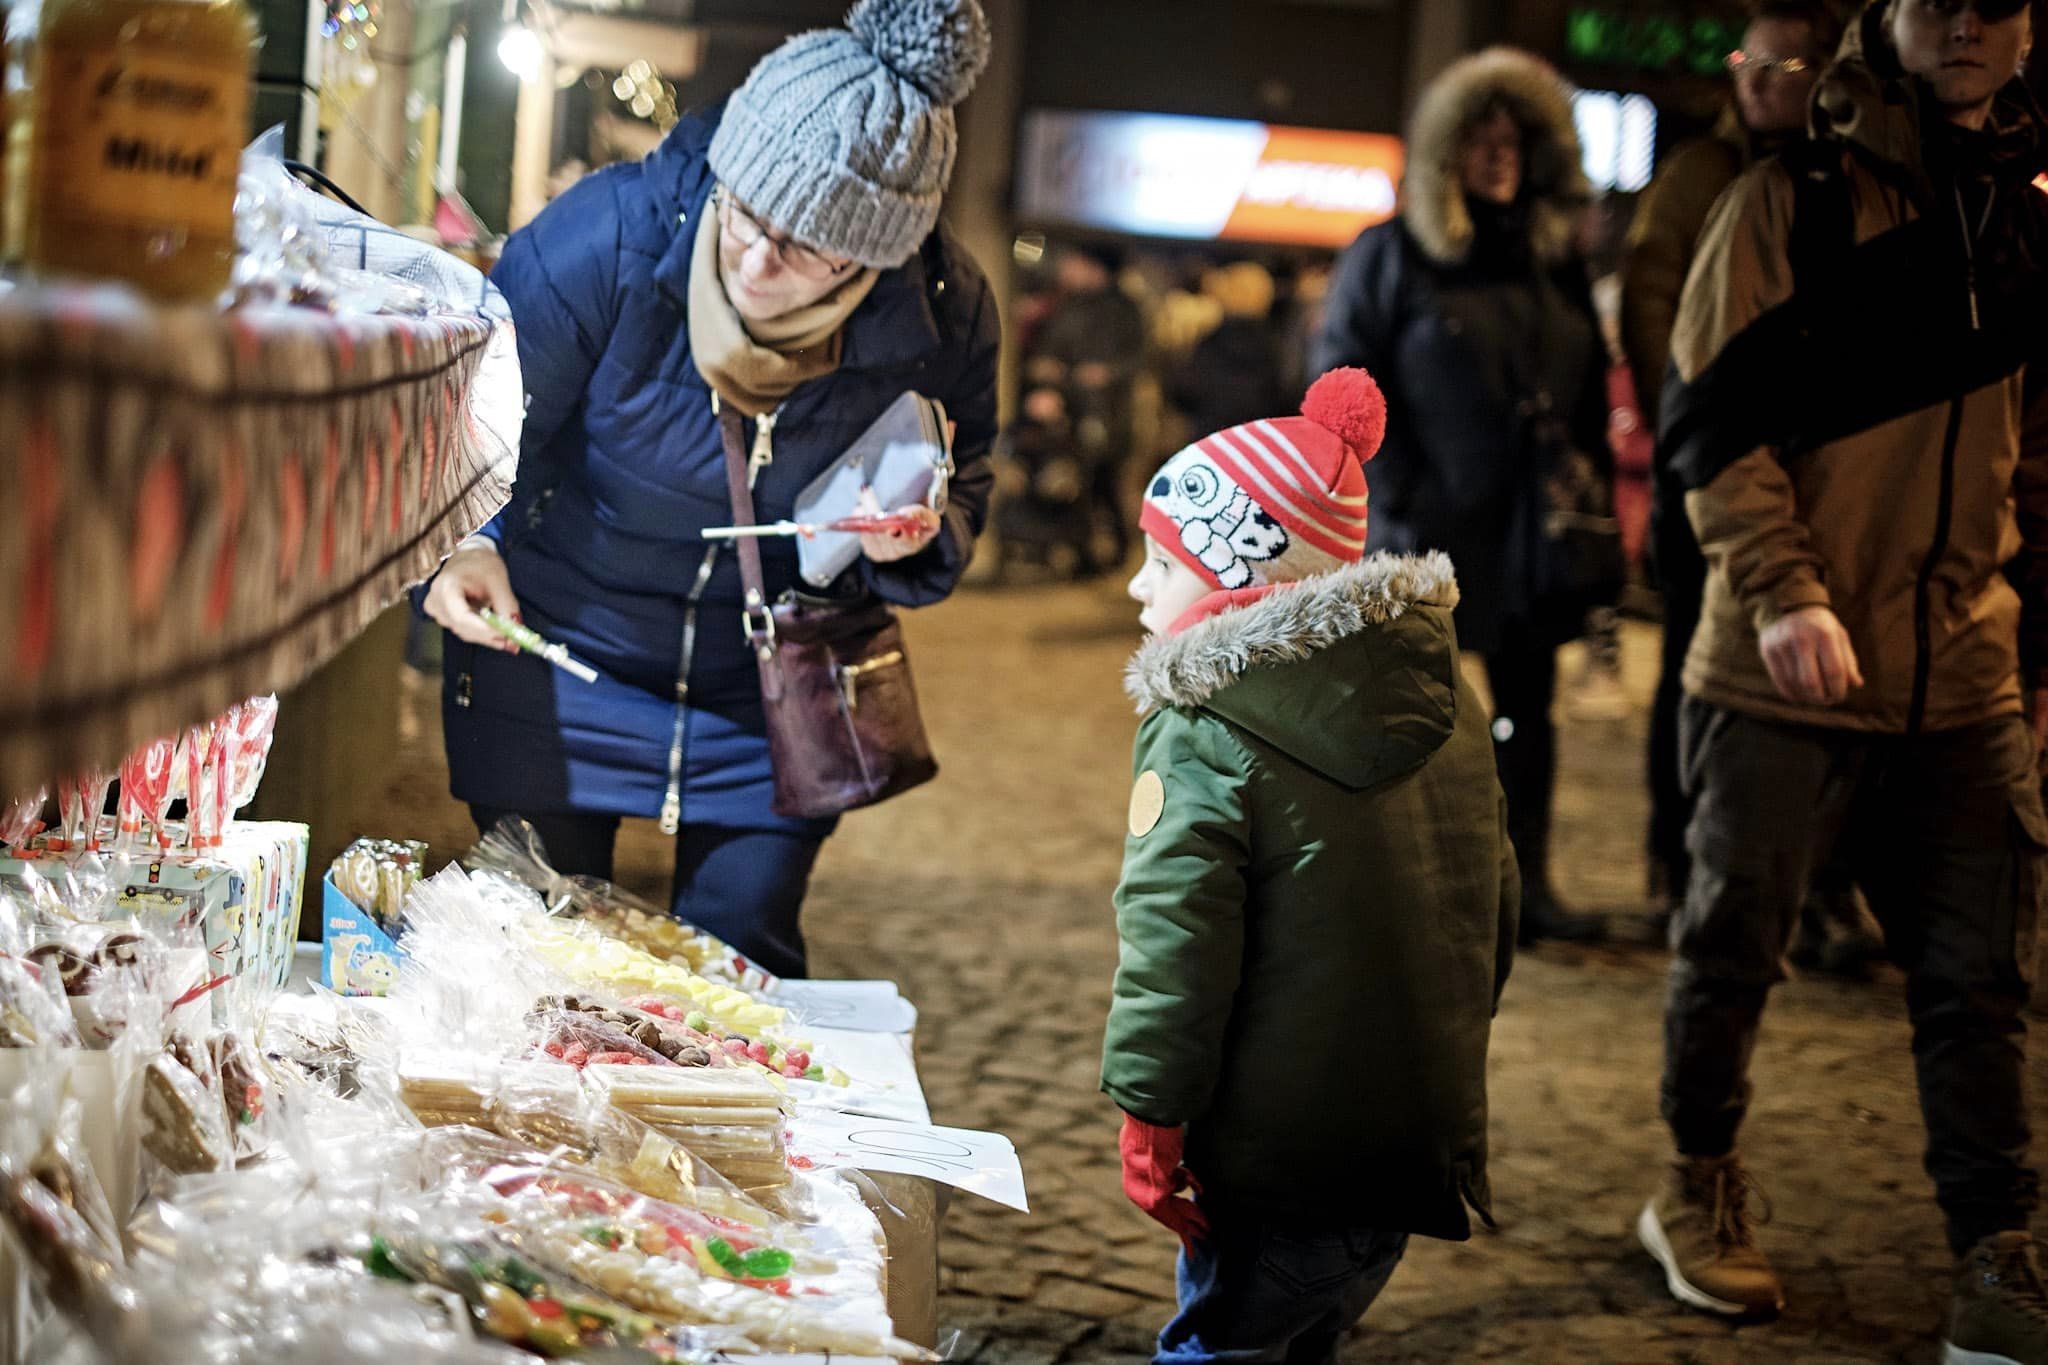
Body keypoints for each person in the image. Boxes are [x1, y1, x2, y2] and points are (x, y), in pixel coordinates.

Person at [418, 0, 1000, 980]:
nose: (756, 260)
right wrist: (465, 542)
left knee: (743, 970)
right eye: (746, 214)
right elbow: (460, 422)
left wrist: (919, 536)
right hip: (561, 644)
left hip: (771, 687)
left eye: (807, 246)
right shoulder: (604, 238)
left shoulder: (941, 309)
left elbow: (967, 467)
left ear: (878, 253)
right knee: (529, 965)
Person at [1640, 3, 2048, 1355]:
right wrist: (1785, 588)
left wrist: (2028, 644)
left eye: (2002, 2)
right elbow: (1709, 416)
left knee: (1977, 979)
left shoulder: (2030, 215)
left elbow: (2036, 456)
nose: (1973, 27)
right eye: (1943, 2)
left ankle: (1994, 1252)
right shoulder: (1786, 200)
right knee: (1731, 946)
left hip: (1963, 673)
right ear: (1889, 22)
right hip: (1783, 671)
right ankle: (1696, 1180)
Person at [1102, 368, 1518, 1365]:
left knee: (1227, 1342)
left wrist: (1149, 1126)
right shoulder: (1443, 695)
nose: (1134, 586)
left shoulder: (1202, 728)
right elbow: (1489, 914)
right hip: (1404, 1149)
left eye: (1159, 563)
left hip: (1271, 1164)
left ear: (1235, 574)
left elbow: (1174, 949)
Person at [1313, 47, 1613, 944]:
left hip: (1529, 537)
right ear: (1448, 150)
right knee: (1407, 718)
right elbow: (1340, 375)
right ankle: (1395, 892)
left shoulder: (1550, 261)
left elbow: (1591, 383)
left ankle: (1522, 887)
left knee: (1529, 715)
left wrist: (1581, 478)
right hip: (1422, 531)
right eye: (1479, 137)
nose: (1498, 154)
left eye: (1514, 137)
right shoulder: (1393, 253)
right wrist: (1400, 488)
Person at [1621, 2, 1883, 968]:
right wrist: (1693, 440)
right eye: (1747, 61)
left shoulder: (1859, 178)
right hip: (1713, 482)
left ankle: (1822, 891)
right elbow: (1654, 310)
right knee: (1697, 680)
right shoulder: (1704, 177)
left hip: (1828, 484)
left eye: (1784, 64)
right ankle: (1683, 869)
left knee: (1836, 687)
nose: (1758, 79)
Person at [1033, 245, 1149, 573]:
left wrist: (1107, 374)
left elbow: (1140, 357)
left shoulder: (1125, 308)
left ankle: (1118, 551)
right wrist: (1049, 369)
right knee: (1079, 484)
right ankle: (1082, 552)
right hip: (1071, 409)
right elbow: (1051, 349)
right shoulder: (1068, 305)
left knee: (1105, 483)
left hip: (1110, 412)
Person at [1165, 261, 1287, 438]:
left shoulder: (1213, 341)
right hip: (1258, 441)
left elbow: (1185, 388)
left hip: (1212, 438)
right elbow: (1284, 395)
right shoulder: (1276, 344)